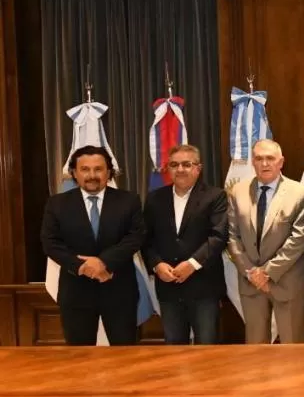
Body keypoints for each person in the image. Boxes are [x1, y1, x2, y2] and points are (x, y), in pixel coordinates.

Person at [40, 145, 145, 345]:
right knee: (80, 358)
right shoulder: (57, 203)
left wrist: (104, 262)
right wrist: (83, 267)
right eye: (85, 169)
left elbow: (135, 237)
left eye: (98, 169)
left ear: (109, 172)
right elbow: (50, 242)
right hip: (76, 293)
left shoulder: (129, 200)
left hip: (119, 290)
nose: (92, 175)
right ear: (74, 173)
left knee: (127, 357)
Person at [227, 139, 304, 344]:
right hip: (251, 282)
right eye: (259, 159)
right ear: (252, 163)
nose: (265, 163)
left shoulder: (299, 192)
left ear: (281, 162)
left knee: (294, 348)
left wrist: (267, 272)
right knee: (255, 351)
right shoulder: (237, 192)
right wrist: (251, 272)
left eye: (270, 158)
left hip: (288, 281)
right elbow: (232, 236)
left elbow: (299, 238)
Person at [142, 144, 227, 345]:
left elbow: (218, 236)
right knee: (173, 347)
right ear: (168, 169)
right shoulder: (155, 199)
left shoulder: (215, 196)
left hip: (204, 287)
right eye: (174, 165)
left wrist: (192, 264)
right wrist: (156, 264)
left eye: (187, 164)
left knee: (207, 348)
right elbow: (145, 238)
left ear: (198, 168)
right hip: (168, 287)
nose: (180, 169)